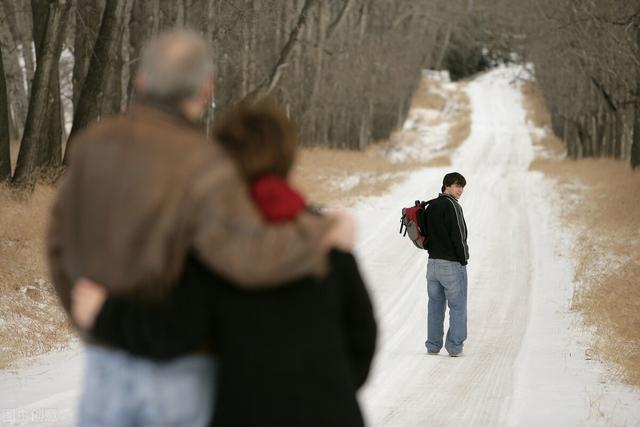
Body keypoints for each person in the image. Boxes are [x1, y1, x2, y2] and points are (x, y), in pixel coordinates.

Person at [47, 31, 353, 427]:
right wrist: (320, 235)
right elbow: (248, 256)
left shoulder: (91, 147)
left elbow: (57, 245)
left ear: (140, 82)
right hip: (180, 371)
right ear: (205, 90)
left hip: (104, 365)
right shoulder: (206, 166)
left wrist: (87, 317)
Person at [423, 172, 469, 357]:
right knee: (458, 306)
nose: (460, 190)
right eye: (457, 185)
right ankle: (455, 348)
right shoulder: (452, 206)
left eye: (462, 187)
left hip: (432, 264)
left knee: (434, 305)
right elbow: (459, 235)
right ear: (447, 185)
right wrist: (463, 260)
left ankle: (433, 346)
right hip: (451, 265)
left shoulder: (431, 205)